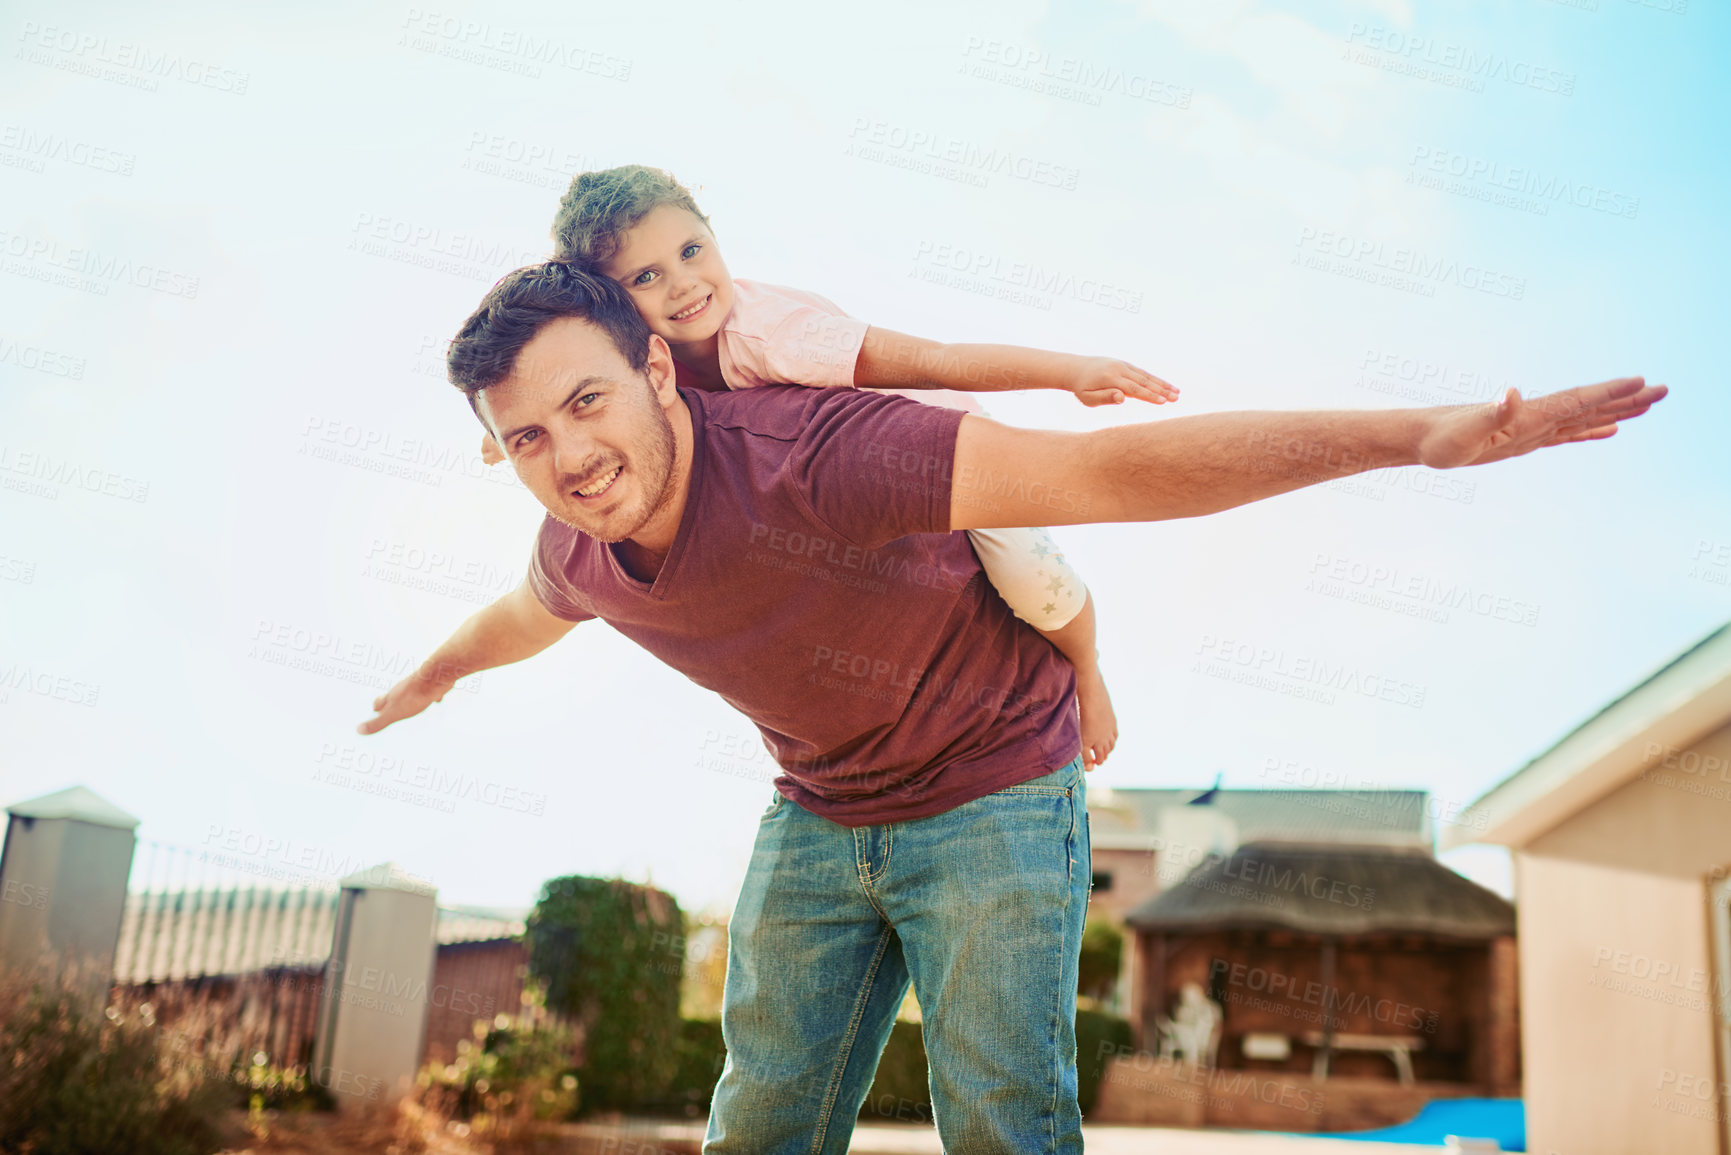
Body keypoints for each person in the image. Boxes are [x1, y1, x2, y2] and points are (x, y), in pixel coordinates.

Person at [358, 259, 1662, 1152]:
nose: (570, 456)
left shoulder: (825, 452)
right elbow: (515, 618)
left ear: (657, 365)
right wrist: (434, 673)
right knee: (757, 1112)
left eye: (586, 399)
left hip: (991, 780)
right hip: (816, 808)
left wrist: (1411, 435)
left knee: (995, 1114)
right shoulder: (575, 552)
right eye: (524, 436)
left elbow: (1111, 468)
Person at [479, 164, 1182, 769]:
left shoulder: (774, 336)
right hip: (836, 506)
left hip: (937, 449)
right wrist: (510, 430)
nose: (685, 285)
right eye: (646, 276)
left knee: (1035, 582)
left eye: (694, 250)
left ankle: (1087, 672)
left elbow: (936, 360)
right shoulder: (631, 369)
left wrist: (1071, 371)